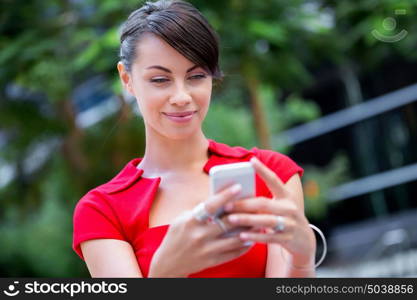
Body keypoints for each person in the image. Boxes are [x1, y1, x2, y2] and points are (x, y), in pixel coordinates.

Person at [72, 0, 316, 278]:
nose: (181, 97)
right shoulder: (102, 210)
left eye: (196, 76)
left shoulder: (270, 173)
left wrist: (302, 259)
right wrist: (166, 272)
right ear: (127, 79)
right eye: (160, 80)